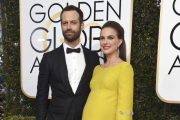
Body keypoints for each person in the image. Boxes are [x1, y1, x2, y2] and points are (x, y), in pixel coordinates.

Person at [36, 5, 99, 120]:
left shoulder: (93, 57)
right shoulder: (49, 58)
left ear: (82, 25)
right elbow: (41, 96)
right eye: (65, 23)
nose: (68, 27)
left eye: (73, 22)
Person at [82, 21, 134, 120]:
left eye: (110, 37)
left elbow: (125, 107)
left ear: (119, 41)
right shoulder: (97, 69)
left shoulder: (124, 68)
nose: (105, 42)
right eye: (102, 38)